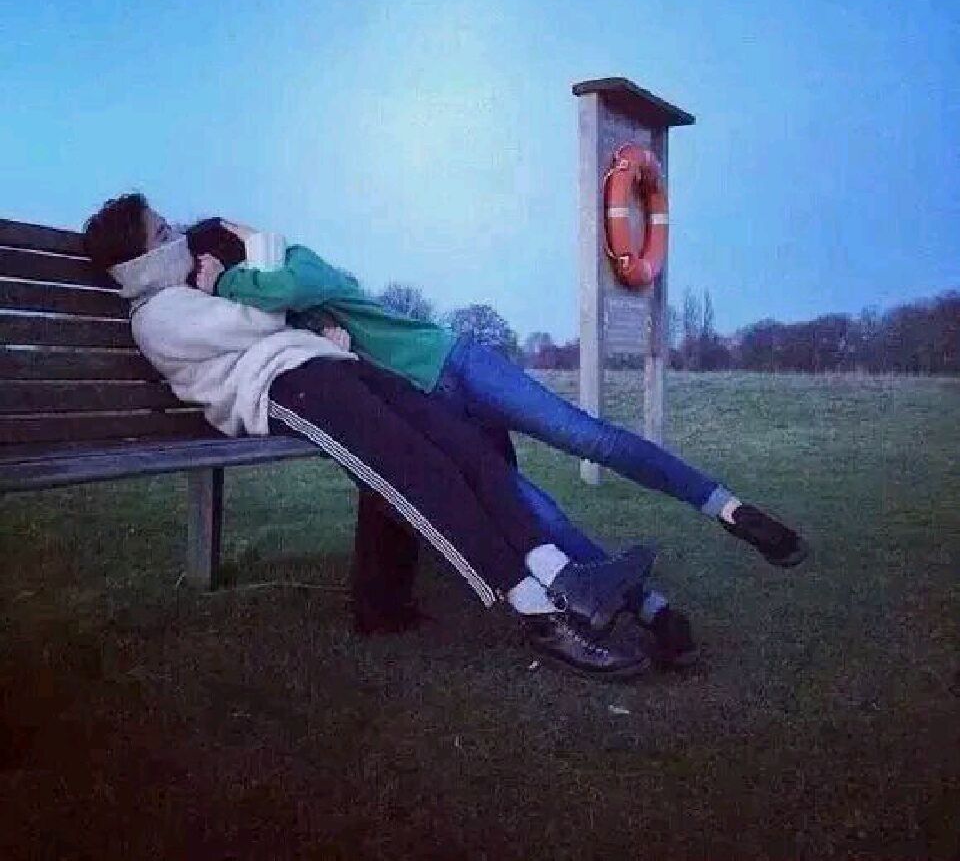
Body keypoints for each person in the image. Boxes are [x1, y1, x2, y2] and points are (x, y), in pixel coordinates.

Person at [83, 194, 669, 680]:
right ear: (141, 259)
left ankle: (567, 579)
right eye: (162, 230)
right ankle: (540, 615)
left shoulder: (185, 296)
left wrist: (304, 331)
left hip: (327, 368)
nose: (178, 233)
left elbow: (267, 318)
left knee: (467, 446)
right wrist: (234, 273)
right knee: (419, 475)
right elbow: (264, 315)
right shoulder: (160, 313)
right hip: (292, 389)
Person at [183, 213, 809, 571]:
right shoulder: (277, 322)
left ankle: (728, 508)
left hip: (456, 361)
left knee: (586, 436)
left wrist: (228, 279)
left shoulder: (297, 263)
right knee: (534, 507)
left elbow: (294, 285)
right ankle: (639, 602)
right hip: (432, 412)